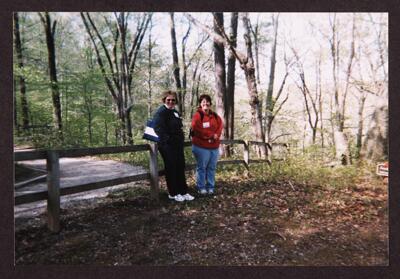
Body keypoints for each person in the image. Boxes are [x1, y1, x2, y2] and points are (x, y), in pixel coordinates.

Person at [153, 90, 195, 202]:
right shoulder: (161, 112)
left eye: (173, 100)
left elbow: (179, 128)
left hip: (177, 145)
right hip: (167, 146)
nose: (171, 101)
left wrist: (180, 139)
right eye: (168, 100)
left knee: (180, 166)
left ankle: (183, 191)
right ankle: (173, 193)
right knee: (171, 168)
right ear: (164, 100)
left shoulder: (175, 112)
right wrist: (169, 140)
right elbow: (158, 129)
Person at [191, 94, 223, 195]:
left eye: (207, 101)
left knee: (212, 167)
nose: (206, 103)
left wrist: (216, 135)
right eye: (203, 102)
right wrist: (210, 135)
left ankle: (210, 187)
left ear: (210, 103)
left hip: (214, 147)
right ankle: (201, 187)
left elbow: (220, 125)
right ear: (200, 104)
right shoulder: (197, 115)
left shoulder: (215, 116)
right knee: (202, 167)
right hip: (201, 146)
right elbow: (196, 128)